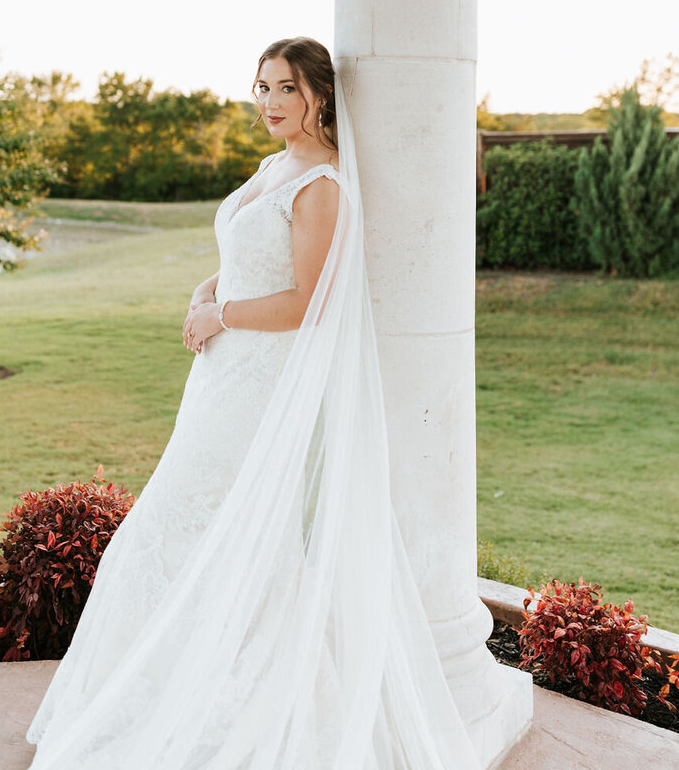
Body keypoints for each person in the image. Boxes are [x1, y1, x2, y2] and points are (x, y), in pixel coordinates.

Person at [25, 37, 480, 769]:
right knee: (214, 535)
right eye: (262, 86)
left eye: (285, 89)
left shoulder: (322, 184)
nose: (268, 102)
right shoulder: (276, 166)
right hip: (221, 376)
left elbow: (310, 301)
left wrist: (222, 316)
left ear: (319, 97)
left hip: (259, 385)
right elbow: (249, 255)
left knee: (176, 528)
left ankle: (239, 709)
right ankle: (180, 691)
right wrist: (211, 287)